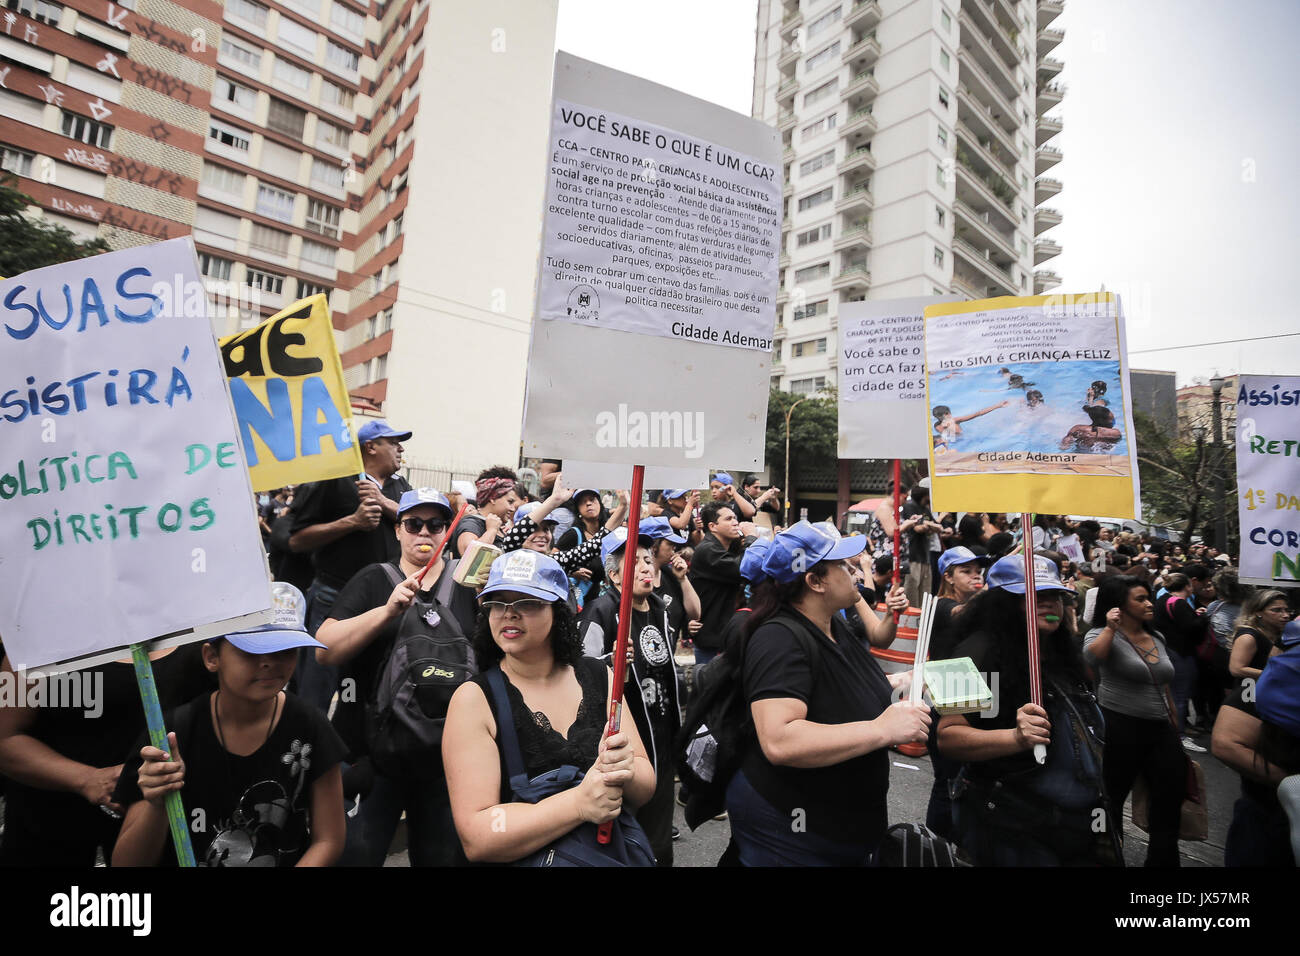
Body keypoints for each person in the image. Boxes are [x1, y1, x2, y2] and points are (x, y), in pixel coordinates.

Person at [724, 521, 929, 865]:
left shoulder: (831, 625)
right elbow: (780, 739)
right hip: (796, 833)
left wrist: (897, 683)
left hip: (843, 829)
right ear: (815, 581)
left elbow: (837, 685)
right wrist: (883, 729)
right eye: (843, 566)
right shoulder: (779, 639)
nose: (854, 572)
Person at [442, 551, 655, 863]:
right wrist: (578, 804)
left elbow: (645, 786)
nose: (508, 614)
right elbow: (479, 835)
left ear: (559, 611)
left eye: (527, 602)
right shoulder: (474, 700)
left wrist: (626, 768)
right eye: (497, 602)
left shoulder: (600, 677)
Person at [112, 590, 347, 867]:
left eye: (285, 649)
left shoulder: (310, 726)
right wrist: (156, 801)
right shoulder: (172, 736)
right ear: (212, 657)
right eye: (252, 650)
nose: (270, 661)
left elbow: (329, 839)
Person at [313, 488, 469, 866]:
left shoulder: (466, 585)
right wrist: (385, 612)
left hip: (446, 762)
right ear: (398, 530)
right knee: (358, 856)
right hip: (374, 758)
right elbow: (323, 649)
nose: (425, 533)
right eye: (414, 524)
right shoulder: (374, 579)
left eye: (436, 525)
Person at [938, 556, 1120, 866]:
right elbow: (948, 738)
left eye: (1055, 597)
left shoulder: (1062, 652)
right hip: (1009, 823)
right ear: (1001, 603)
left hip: (1075, 825)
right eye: (1035, 596)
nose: (1049, 605)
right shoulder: (969, 654)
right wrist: (1015, 737)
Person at [0, 642, 213, 866]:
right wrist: (89, 779)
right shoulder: (38, 632)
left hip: (157, 820)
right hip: (48, 822)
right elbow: (5, 739)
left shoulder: (200, 622)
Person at [288, 419, 414, 711]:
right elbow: (297, 539)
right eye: (393, 442)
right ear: (370, 447)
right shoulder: (336, 480)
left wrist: (383, 502)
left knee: (360, 685)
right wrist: (351, 522)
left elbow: (413, 519)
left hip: (384, 603)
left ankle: (350, 747)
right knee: (318, 683)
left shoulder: (400, 487)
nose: (401, 448)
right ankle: (311, 746)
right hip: (335, 598)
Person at [578, 529, 681, 865]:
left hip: (662, 739)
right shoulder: (601, 611)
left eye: (648, 560)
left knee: (660, 838)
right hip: (626, 749)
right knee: (629, 838)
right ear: (613, 574)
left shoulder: (660, 609)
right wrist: (611, 663)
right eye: (633, 562)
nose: (645, 567)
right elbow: (579, 673)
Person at [1083, 575, 1186, 866]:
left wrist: (1174, 724)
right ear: (1118, 606)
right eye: (1140, 599)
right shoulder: (1100, 634)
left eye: (1148, 597)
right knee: (1111, 800)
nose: (1149, 604)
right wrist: (1111, 628)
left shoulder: (1157, 636)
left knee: (1168, 801)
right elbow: (1092, 660)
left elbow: (1164, 685)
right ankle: (1107, 858)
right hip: (1120, 727)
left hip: (1160, 729)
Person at [1212, 623, 1300, 866]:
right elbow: (1225, 743)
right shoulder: (1270, 681)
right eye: (1277, 609)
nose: (1283, 615)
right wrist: (1289, 783)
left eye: (1286, 610)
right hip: (1267, 815)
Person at [924, 545, 988, 839]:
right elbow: (963, 614)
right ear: (948, 576)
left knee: (972, 772)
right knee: (948, 777)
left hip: (980, 683)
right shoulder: (941, 606)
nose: (976, 577)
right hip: (950, 682)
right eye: (967, 571)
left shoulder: (977, 603)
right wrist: (997, 590)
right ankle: (937, 844)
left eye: (979, 571)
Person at [687, 501, 750, 668]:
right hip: (712, 639)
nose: (735, 522)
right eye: (729, 519)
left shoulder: (726, 548)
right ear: (713, 526)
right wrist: (751, 539)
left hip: (722, 635)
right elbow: (742, 569)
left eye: (735, 518)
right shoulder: (707, 550)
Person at [451, 466, 521, 560]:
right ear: (493, 498)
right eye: (510, 502)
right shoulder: (471, 523)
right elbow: (469, 556)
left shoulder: (498, 528)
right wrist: (491, 531)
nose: (513, 509)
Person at [1228, 589, 1292, 692]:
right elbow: (1237, 669)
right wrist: (1278, 675)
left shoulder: (1279, 632)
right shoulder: (1248, 636)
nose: (1286, 615)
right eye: (1276, 610)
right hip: (1249, 696)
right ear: (1258, 612)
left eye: (1286, 610)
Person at [900, 482, 943, 606]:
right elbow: (917, 528)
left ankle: (920, 619)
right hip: (912, 555)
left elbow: (938, 527)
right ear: (924, 494)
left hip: (925, 555)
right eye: (929, 495)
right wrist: (929, 526)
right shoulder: (909, 506)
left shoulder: (925, 509)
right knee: (911, 591)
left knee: (925, 592)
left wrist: (927, 525)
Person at [932, 401, 1009, 449]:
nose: (950, 415)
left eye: (949, 413)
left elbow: (978, 414)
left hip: (962, 441)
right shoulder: (938, 426)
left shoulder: (951, 422)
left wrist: (998, 406)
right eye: (948, 414)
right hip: (959, 443)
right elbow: (977, 414)